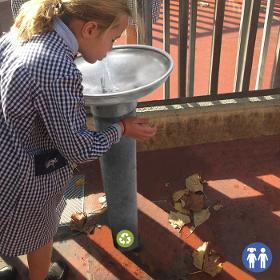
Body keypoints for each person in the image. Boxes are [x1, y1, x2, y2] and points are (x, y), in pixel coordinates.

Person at [0, 0, 156, 279]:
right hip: (26, 176)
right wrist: (122, 127)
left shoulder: (30, 29)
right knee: (40, 229)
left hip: (7, 150)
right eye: (113, 38)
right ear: (90, 29)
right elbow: (79, 148)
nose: (111, 49)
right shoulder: (57, 68)